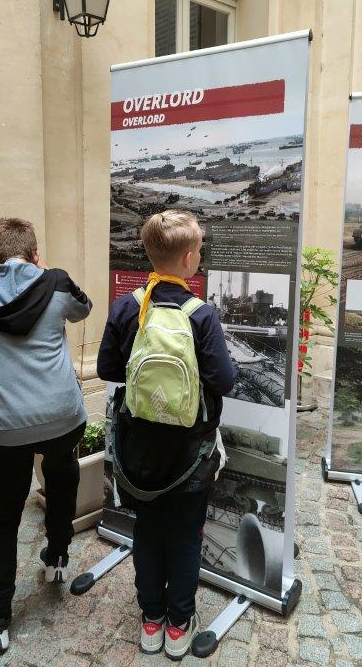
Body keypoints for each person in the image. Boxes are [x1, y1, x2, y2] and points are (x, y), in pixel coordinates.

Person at [97, 209, 236, 661]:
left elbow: (106, 370)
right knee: (186, 536)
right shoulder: (201, 315)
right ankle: (179, 626)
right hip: (190, 454)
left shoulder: (128, 305)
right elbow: (224, 381)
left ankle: (151, 619)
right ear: (191, 258)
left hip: (140, 450)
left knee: (148, 532)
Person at [0, 217, 92, 654]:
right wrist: (43, 273)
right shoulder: (55, 282)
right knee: (60, 480)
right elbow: (85, 307)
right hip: (59, 414)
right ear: (35, 253)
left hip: (2, 423)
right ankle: (57, 557)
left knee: (0, 517)